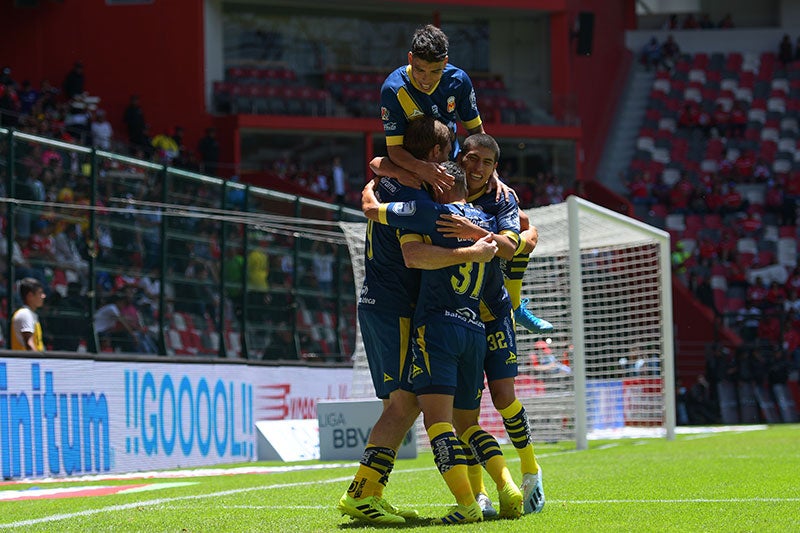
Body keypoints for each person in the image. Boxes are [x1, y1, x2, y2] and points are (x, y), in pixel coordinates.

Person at [337, 117, 499, 525]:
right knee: (405, 402)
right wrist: (476, 251)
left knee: (403, 403)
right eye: (448, 154)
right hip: (395, 309)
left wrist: (375, 181)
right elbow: (414, 252)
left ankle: (368, 491)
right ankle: (361, 493)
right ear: (432, 156)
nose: (452, 163)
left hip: (380, 304)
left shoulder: (394, 182)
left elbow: (375, 180)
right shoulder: (426, 206)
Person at [361, 160, 521, 524]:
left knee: (437, 423)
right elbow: (519, 238)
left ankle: (466, 503)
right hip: (475, 331)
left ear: (446, 182)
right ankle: (507, 486)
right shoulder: (487, 222)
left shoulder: (434, 214)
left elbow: (411, 253)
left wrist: (372, 188)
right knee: (470, 425)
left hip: (438, 327)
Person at [11, 277, 46, 351]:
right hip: (25, 362)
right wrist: (38, 362)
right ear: (30, 296)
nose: (43, 296)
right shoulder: (25, 314)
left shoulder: (30, 314)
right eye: (40, 293)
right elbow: (29, 345)